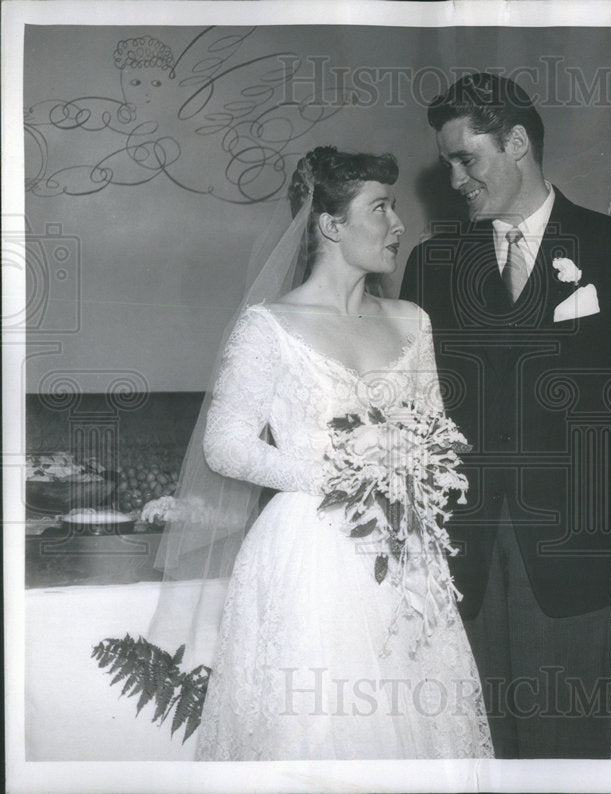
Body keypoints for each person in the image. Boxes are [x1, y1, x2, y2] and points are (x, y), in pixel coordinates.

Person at [400, 74, 611, 758]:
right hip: (462, 556)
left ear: (518, 142)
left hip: (573, 554)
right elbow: (413, 410)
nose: (457, 179)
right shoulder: (434, 264)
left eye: (468, 158)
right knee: (474, 748)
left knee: (564, 750)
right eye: (449, 165)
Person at [189, 146, 493, 760]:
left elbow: (436, 430)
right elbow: (225, 445)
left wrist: (415, 471)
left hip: (405, 558)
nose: (398, 223)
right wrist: (343, 472)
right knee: (318, 730)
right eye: (380, 208)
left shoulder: (412, 321)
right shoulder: (268, 325)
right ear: (330, 225)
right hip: (308, 555)